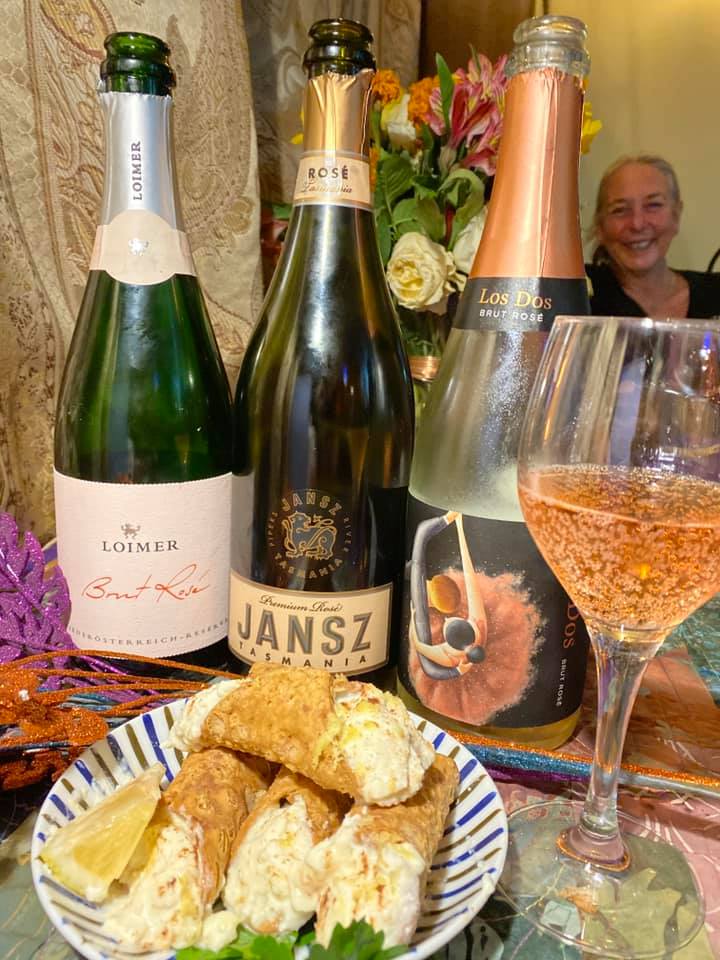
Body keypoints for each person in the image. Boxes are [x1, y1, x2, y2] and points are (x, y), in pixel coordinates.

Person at [586, 155, 720, 319]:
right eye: (620, 210)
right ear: (600, 226)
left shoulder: (715, 293)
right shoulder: (577, 294)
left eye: (653, 205)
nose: (637, 224)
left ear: (676, 215)